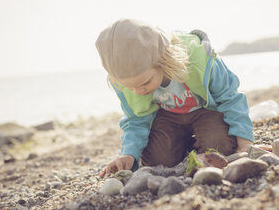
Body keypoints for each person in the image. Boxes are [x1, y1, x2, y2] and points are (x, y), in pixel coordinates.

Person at [95, 19, 254, 177]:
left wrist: (245, 142)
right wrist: (129, 155)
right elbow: (136, 120)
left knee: (219, 147)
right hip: (166, 118)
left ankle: (200, 142)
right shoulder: (130, 83)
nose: (137, 91)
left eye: (145, 82)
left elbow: (230, 98)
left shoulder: (199, 62)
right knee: (158, 160)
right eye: (130, 87)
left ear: (163, 61)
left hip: (205, 111)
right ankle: (186, 146)